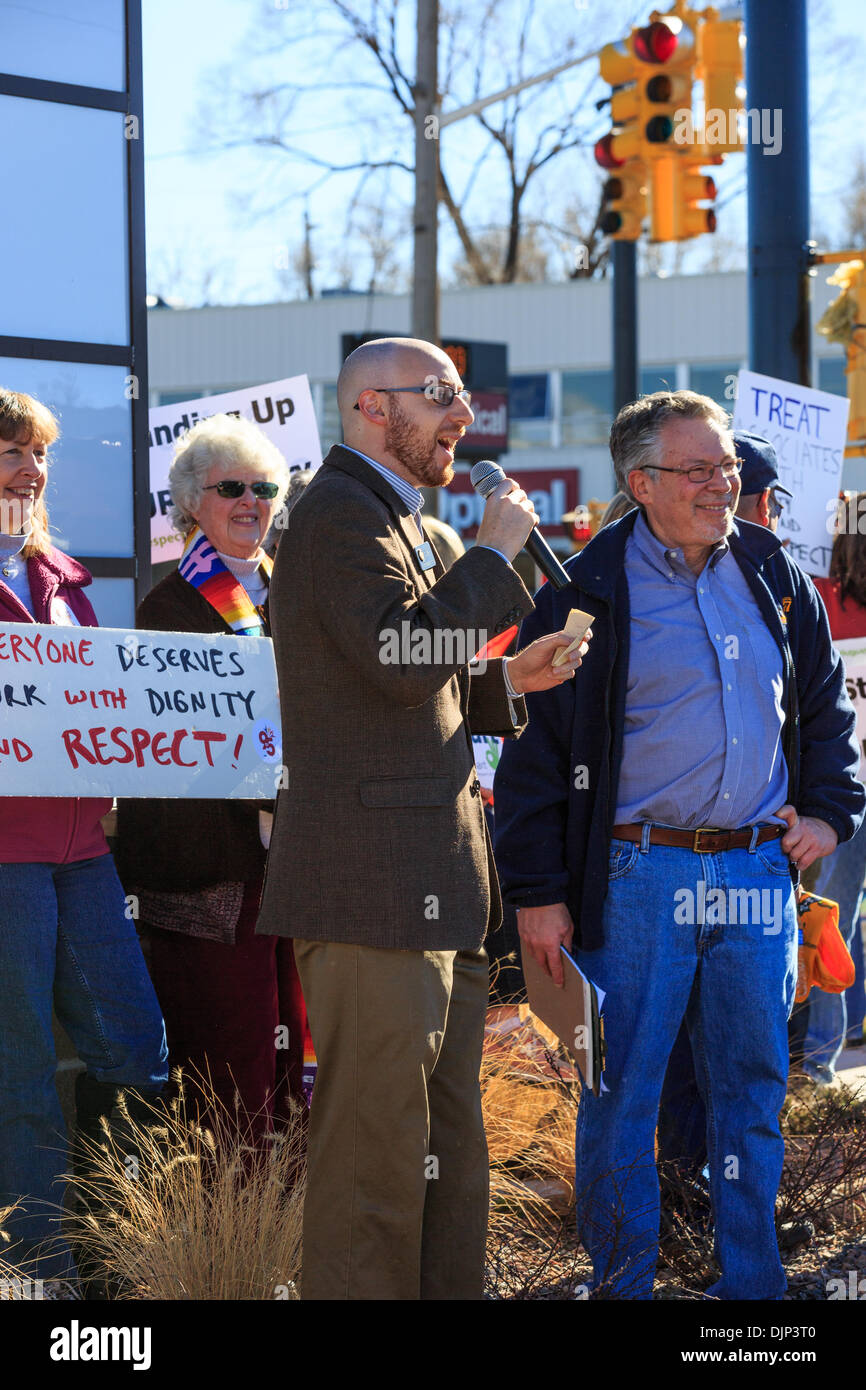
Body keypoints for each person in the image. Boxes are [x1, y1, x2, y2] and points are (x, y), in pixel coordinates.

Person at [494, 390, 864, 1300]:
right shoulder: (582, 592)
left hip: (755, 872)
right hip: (636, 875)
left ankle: (752, 1298)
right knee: (623, 1096)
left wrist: (827, 812)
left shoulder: (774, 574)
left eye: (728, 467)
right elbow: (534, 757)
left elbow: (824, 707)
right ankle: (625, 1285)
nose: (722, 485)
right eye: (698, 470)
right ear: (642, 482)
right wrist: (537, 893)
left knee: (752, 1092)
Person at [257, 336, 588, 1300]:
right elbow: (399, 658)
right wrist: (490, 555)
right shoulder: (335, 518)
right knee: (377, 1167)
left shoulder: (391, 515)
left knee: (448, 1160)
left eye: (462, 395)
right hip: (372, 893)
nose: (462, 416)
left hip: (434, 888)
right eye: (439, 395)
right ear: (370, 408)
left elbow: (391, 679)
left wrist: (501, 679)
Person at [0, 387, 167, 1286]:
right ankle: (42, 1273)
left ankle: (120, 1255)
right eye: (11, 452)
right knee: (18, 1070)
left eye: (39, 454)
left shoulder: (66, 577)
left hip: (85, 856)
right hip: (4, 862)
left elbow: (106, 707)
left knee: (135, 1046)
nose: (30, 469)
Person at [116, 413, 308, 1144]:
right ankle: (235, 1242)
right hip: (215, 878)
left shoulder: (293, 592)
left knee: (298, 1063)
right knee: (235, 1067)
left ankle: (297, 1230)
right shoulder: (170, 606)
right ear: (192, 502)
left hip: (299, 866)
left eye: (264, 486)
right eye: (232, 487)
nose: (252, 501)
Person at [805, 496, 866, 1080]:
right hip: (844, 798)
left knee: (833, 924)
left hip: (841, 795)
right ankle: (821, 1059)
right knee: (836, 923)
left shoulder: (819, 601)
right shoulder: (817, 600)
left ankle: (820, 1064)